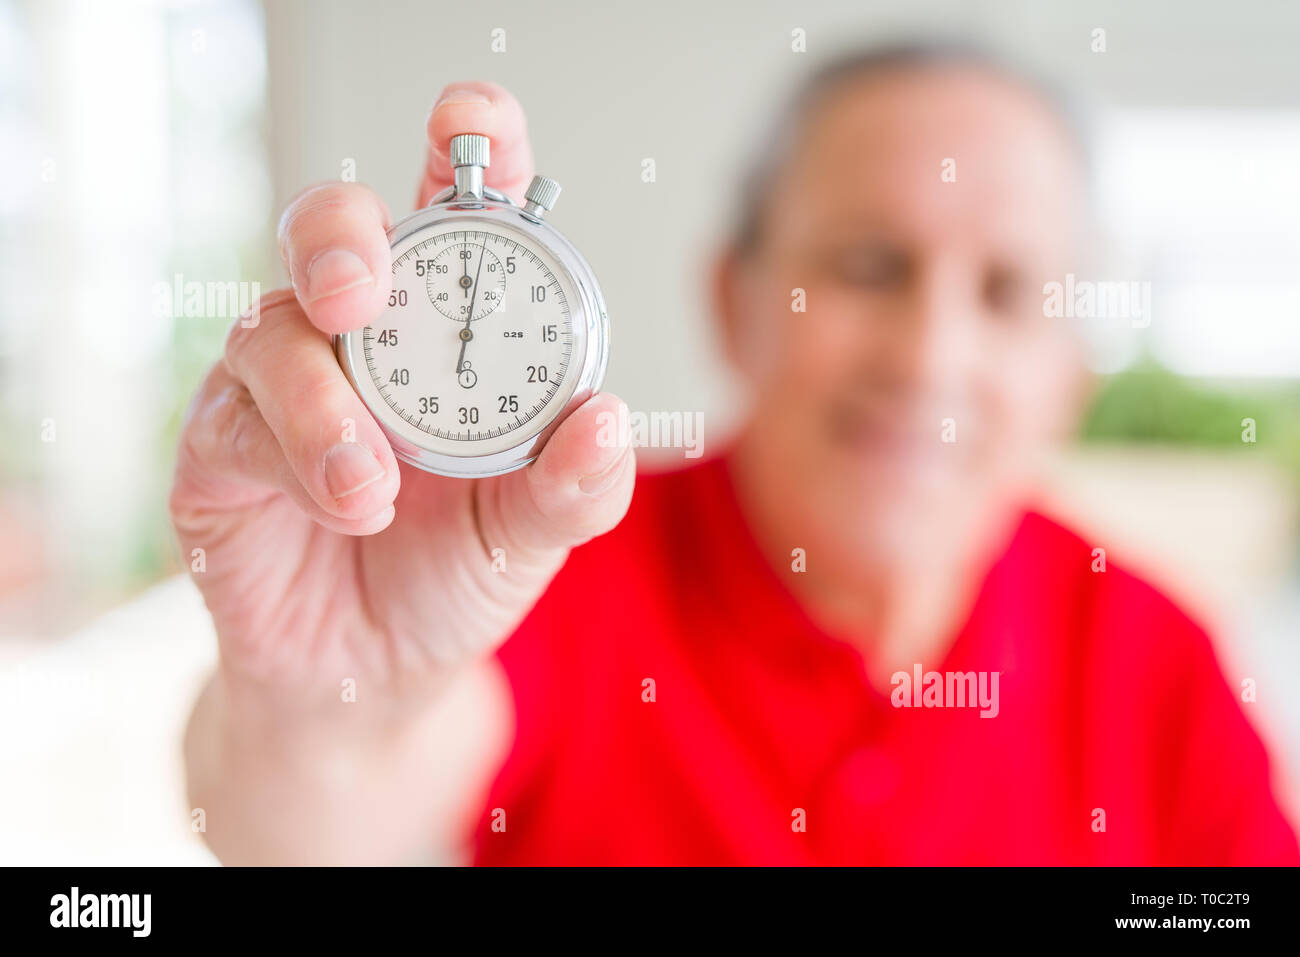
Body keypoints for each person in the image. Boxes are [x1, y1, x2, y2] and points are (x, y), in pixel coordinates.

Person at [173, 46, 1299, 865]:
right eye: (868, 265)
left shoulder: (1162, 667)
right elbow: (318, 828)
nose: (929, 355)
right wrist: (324, 709)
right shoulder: (527, 563)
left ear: (1071, 368)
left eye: (1006, 293)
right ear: (731, 302)